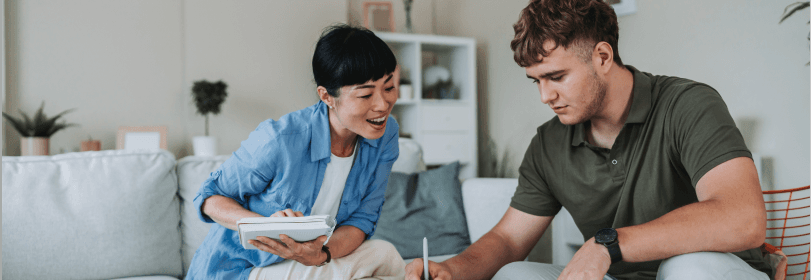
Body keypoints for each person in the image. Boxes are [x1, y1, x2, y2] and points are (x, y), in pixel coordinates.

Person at [405, 0, 773, 279]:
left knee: (686, 268)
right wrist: (452, 270)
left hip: (712, 271)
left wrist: (608, 244)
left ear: (602, 56)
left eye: (557, 76)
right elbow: (508, 240)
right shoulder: (548, 144)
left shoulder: (688, 104)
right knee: (514, 274)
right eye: (537, 80)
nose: (545, 96)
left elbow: (742, 217)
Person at [186, 24, 405, 280]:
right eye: (366, 95)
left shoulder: (385, 135)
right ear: (326, 97)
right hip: (245, 269)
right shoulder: (281, 139)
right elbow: (210, 197)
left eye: (389, 88)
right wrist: (265, 226)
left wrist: (320, 255)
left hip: (310, 263)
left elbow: (362, 220)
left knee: (385, 253)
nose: (382, 105)